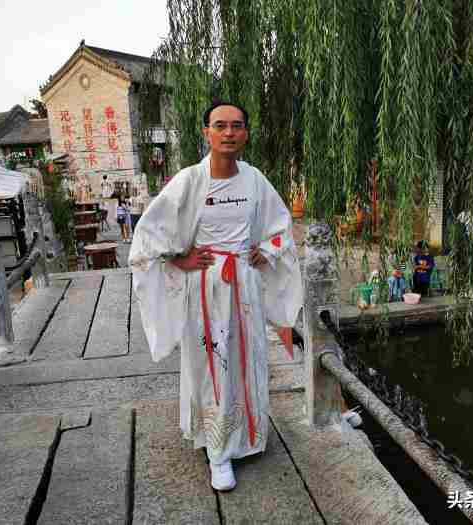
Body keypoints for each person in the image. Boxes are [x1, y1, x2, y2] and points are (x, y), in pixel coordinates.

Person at [128, 101, 303, 492]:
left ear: (245, 133)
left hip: (244, 286)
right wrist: (179, 257)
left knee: (249, 359)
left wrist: (268, 250)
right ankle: (218, 450)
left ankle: (248, 433)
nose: (228, 133)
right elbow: (148, 234)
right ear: (206, 132)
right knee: (213, 363)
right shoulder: (189, 181)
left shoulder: (255, 180)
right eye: (220, 125)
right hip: (206, 288)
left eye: (236, 126)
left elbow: (280, 225)